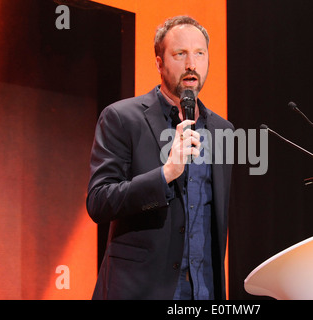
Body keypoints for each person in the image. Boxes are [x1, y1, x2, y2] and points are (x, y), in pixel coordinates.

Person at [86, 15, 234, 300]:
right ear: (159, 62)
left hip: (202, 292)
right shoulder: (121, 118)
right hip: (140, 291)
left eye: (199, 54)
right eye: (180, 54)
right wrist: (165, 174)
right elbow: (99, 201)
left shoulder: (222, 130)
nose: (191, 64)